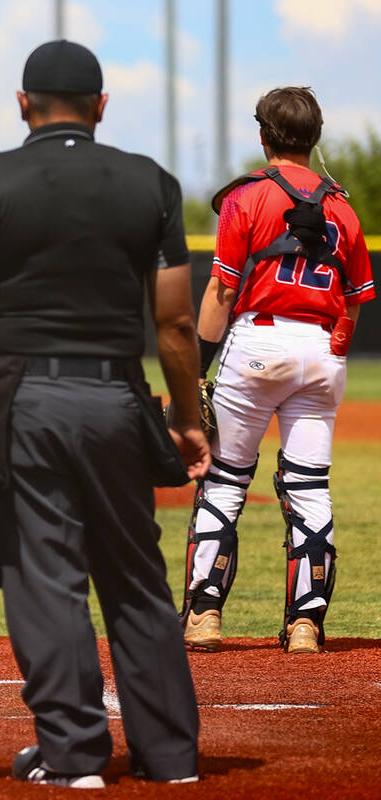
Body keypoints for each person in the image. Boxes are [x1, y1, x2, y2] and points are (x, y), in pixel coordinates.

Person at [0, 41, 210, 788]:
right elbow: (175, 324)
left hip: (29, 403)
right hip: (118, 399)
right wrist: (189, 419)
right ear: (101, 106)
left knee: (46, 582)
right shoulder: (153, 183)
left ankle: (75, 758)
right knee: (137, 579)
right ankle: (172, 759)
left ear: (23, 105)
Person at [180, 87, 374, 655]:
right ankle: (307, 626)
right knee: (309, 486)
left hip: (258, 344)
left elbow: (221, 288)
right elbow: (356, 297)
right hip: (322, 349)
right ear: (314, 140)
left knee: (225, 479)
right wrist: (334, 345)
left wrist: (194, 369)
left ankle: (205, 617)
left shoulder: (248, 197)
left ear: (263, 135)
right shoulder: (342, 206)